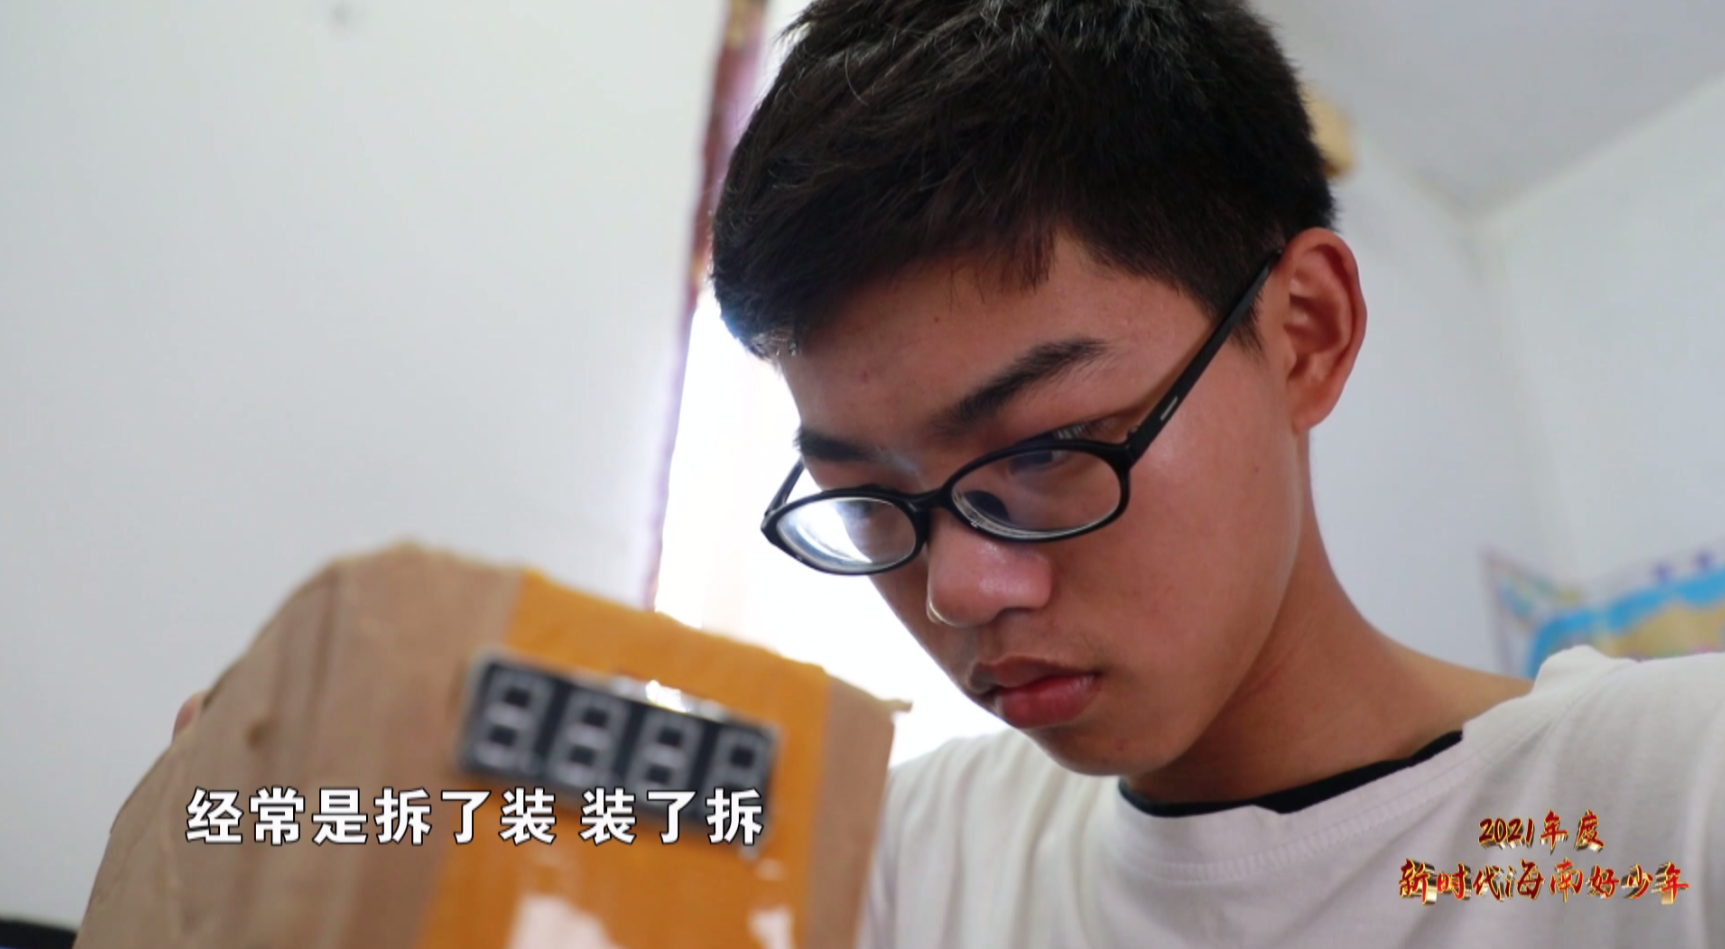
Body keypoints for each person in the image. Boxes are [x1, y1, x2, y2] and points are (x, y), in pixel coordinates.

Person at [172, 2, 1720, 946]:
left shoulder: (1653, 813)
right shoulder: (920, 849)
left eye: (1044, 449)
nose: (963, 589)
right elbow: (541, 786)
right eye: (867, 501)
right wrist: (324, 756)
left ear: (1304, 334)